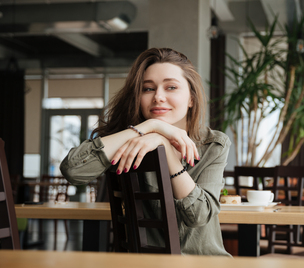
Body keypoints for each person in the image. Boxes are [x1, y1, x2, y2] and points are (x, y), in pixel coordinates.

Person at [60, 48, 231, 256]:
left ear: (191, 99)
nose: (158, 97)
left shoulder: (213, 144)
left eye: (171, 87)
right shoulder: (127, 141)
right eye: (148, 89)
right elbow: (72, 170)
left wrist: (165, 147)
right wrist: (150, 127)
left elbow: (198, 216)